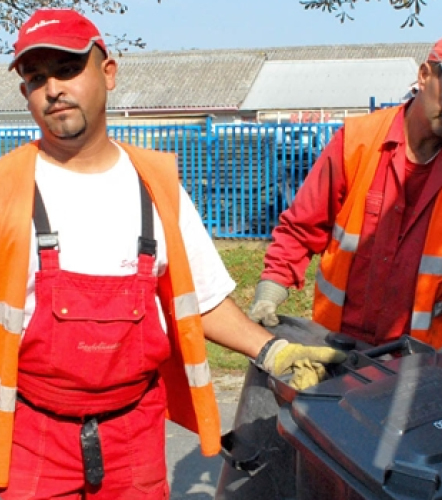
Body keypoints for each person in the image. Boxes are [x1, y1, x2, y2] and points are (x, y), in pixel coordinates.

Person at [0, 8, 345, 499]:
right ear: (24, 94)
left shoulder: (156, 185)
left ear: (108, 72)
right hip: (32, 437)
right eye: (37, 77)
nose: (53, 87)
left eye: (68, 68)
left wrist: (274, 350)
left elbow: (197, 298)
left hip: (134, 436)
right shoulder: (6, 188)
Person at [250, 33, 442, 364]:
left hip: (421, 360)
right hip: (336, 349)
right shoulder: (356, 142)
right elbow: (303, 226)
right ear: (424, 75)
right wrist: (270, 290)